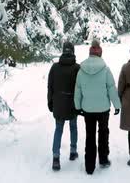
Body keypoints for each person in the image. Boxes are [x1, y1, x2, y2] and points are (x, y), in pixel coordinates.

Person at [74, 39, 121, 175]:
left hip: (87, 110)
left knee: (90, 136)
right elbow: (112, 89)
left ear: (89, 54)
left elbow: (78, 90)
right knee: (103, 133)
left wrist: (77, 107)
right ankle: (104, 159)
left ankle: (89, 166)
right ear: (100, 54)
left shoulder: (81, 70)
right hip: (103, 109)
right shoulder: (105, 70)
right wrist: (117, 105)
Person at [47, 41, 80, 171]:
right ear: (73, 51)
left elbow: (50, 87)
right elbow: (80, 88)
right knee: (73, 127)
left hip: (59, 104)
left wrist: (50, 102)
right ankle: (73, 151)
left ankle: (56, 157)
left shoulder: (55, 67)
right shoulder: (77, 68)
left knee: (58, 129)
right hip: (72, 104)